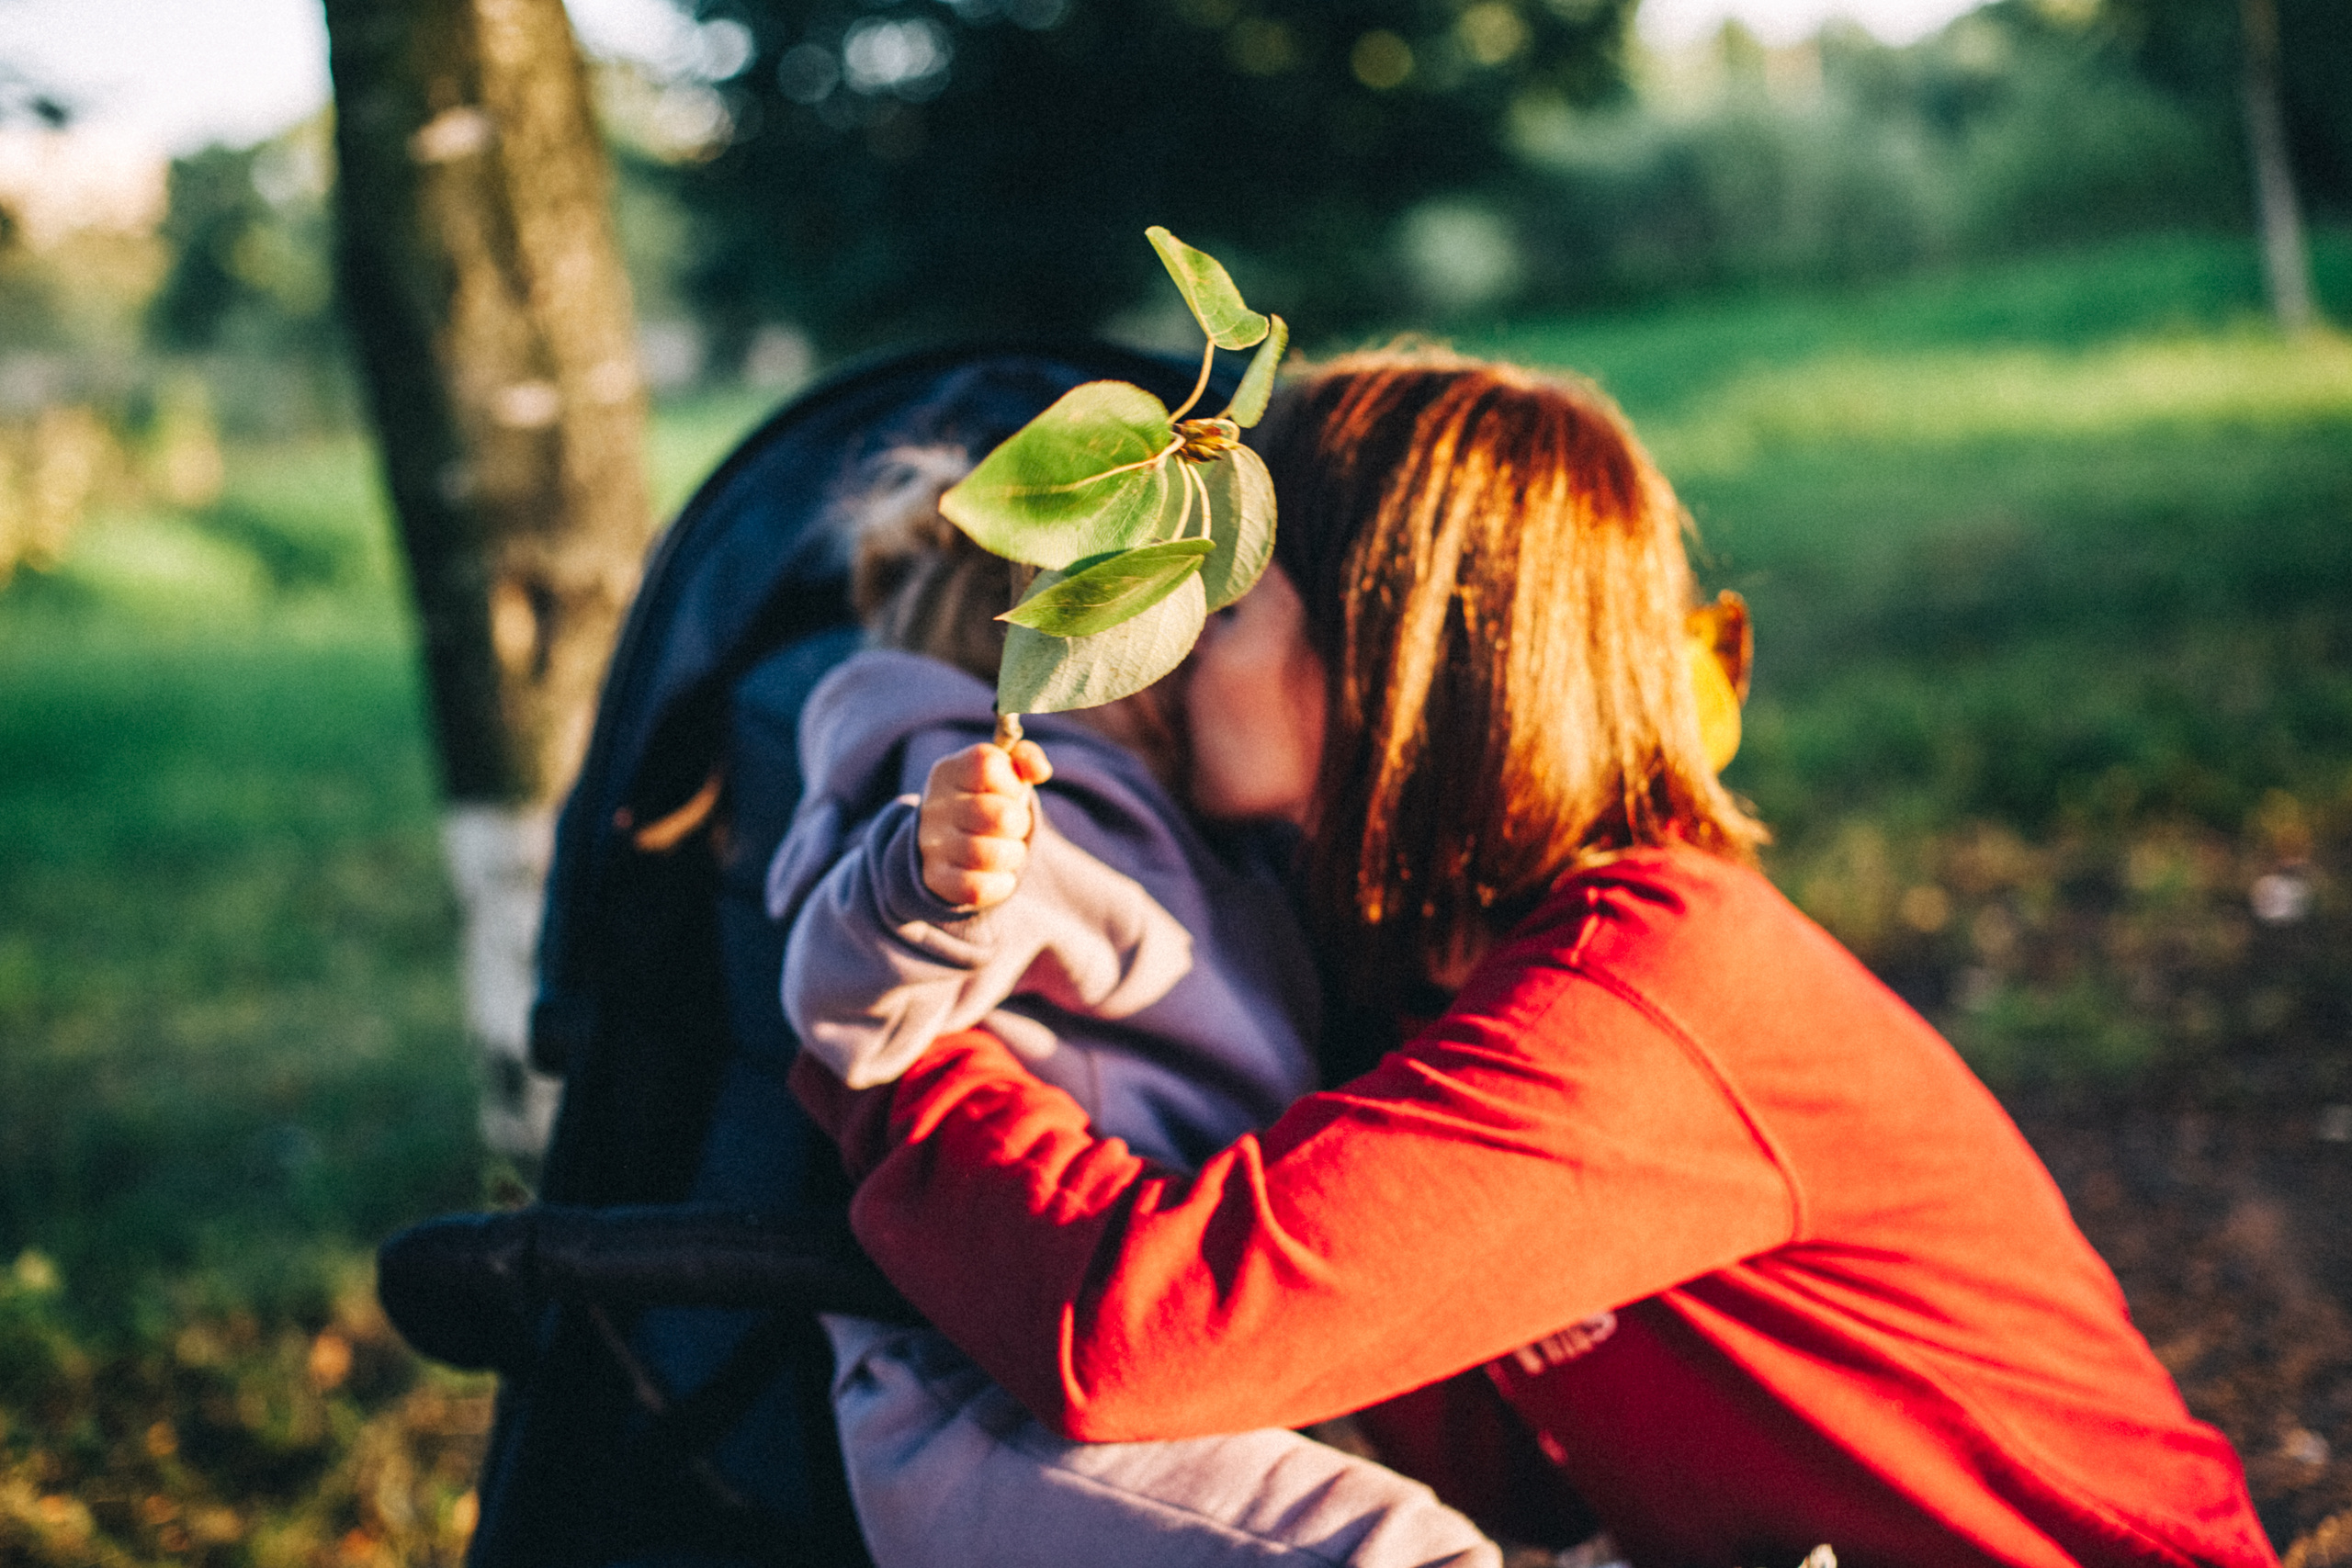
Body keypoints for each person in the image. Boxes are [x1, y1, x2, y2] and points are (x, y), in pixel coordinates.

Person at [788, 351, 2280, 1568]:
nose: (1181, 649)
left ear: (1392, 656)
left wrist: (892, 1066)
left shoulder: (1651, 988)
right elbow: (1505, 1460)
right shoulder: (1426, 974)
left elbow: (1138, 1332)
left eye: (1231, 606)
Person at [764, 442, 1505, 1567]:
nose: (1219, 645)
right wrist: (923, 881)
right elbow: (840, 1006)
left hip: (1187, 1347)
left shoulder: (1223, 851)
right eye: (1198, 622)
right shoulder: (1028, 811)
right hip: (997, 1395)